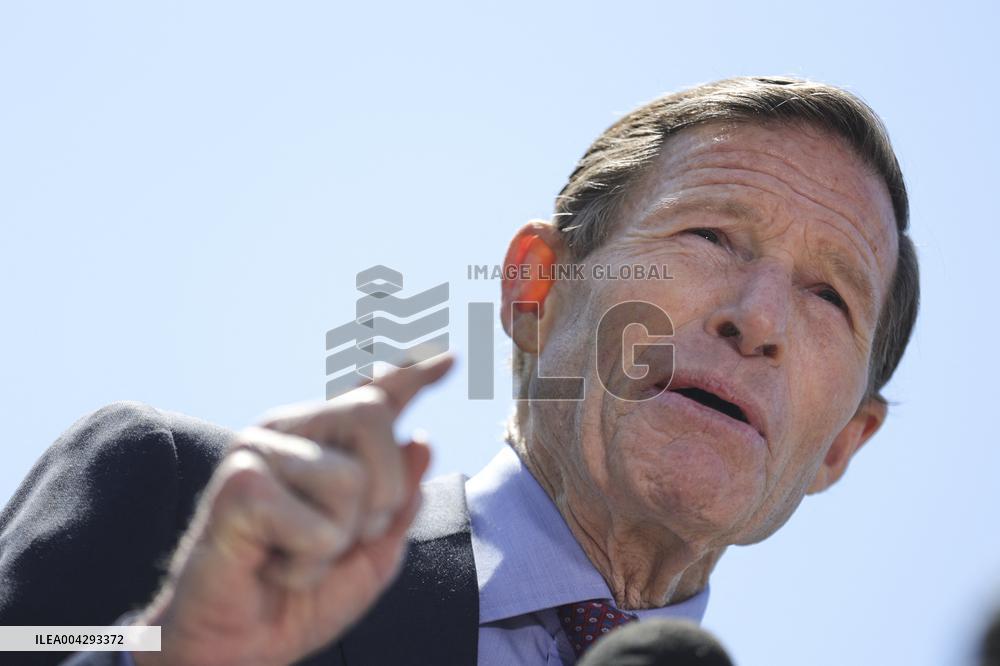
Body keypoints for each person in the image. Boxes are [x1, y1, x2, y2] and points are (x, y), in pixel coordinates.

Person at [0, 75, 920, 666]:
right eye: (712, 234)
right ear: (538, 288)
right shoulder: (181, 507)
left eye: (828, 297)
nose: (756, 318)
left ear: (844, 443)